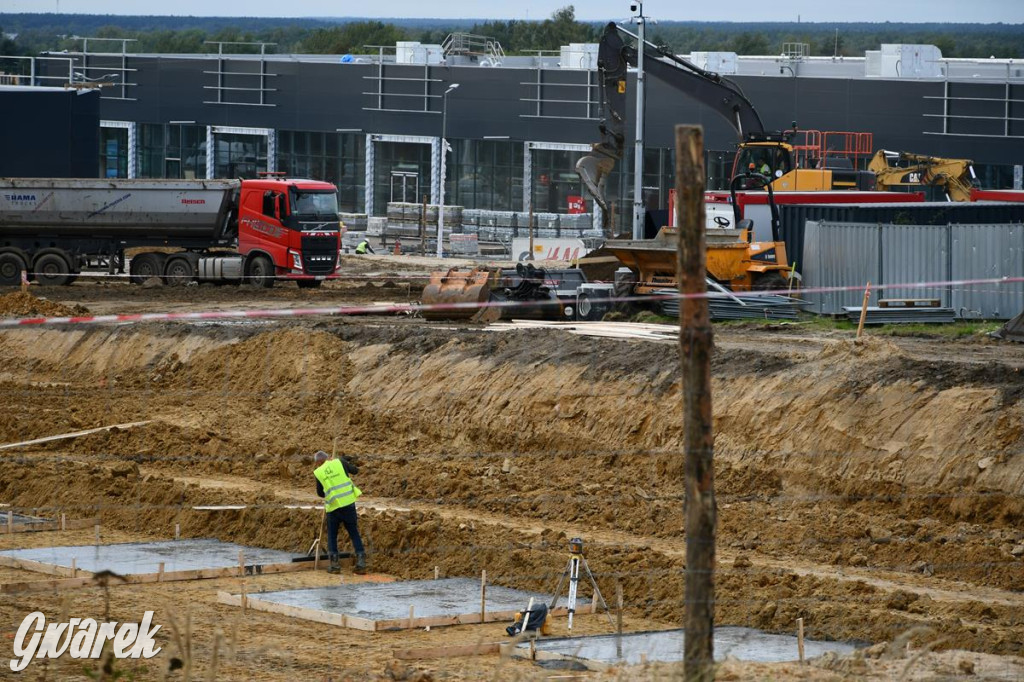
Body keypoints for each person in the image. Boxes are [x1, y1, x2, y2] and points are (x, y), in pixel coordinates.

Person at [312, 450, 367, 574]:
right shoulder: (340, 462)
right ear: (329, 457)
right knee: (354, 532)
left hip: (333, 508)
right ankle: (361, 562)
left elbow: (320, 493)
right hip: (348, 504)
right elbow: (355, 470)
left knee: (332, 536)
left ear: (318, 462)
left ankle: (335, 565)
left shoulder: (318, 472)